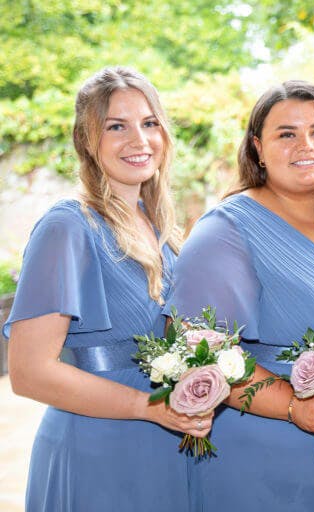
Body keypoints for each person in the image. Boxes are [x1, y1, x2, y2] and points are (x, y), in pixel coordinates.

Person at [165, 80, 314, 511]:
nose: (305, 145)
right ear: (257, 148)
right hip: (268, 456)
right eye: (286, 134)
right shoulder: (225, 231)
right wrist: (292, 406)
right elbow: (197, 353)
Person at [4, 67, 210, 511]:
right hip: (96, 448)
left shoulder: (163, 232)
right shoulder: (67, 227)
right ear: (86, 140)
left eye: (149, 123)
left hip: (165, 445)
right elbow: (28, 372)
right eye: (116, 126)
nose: (139, 140)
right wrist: (145, 405)